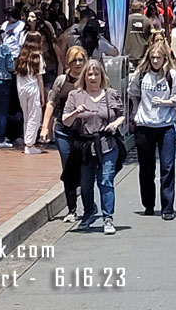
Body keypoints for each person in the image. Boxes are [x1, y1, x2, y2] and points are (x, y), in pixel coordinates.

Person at [62, 59, 125, 234]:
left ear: (102, 76)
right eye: (89, 74)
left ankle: (108, 218)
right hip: (85, 146)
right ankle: (89, 213)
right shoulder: (75, 95)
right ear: (84, 76)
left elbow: (121, 114)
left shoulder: (111, 94)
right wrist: (76, 112)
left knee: (106, 180)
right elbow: (65, 121)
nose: (93, 77)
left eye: (96, 74)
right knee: (86, 182)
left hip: (106, 143)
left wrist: (115, 124)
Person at [128, 37, 176, 219]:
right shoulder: (141, 74)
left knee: (167, 167)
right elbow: (133, 94)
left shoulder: (172, 76)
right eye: (152, 57)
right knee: (146, 167)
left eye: (158, 58)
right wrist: (135, 114)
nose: (155, 61)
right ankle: (148, 204)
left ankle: (168, 207)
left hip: (165, 125)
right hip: (144, 125)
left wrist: (165, 102)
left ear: (165, 58)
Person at [41, 46, 87, 223]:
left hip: (84, 132)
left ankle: (88, 206)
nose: (77, 63)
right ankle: (72, 209)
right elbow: (51, 103)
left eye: (81, 59)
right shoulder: (61, 81)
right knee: (68, 169)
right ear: (68, 62)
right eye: (74, 60)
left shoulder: (90, 79)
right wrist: (45, 127)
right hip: (63, 130)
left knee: (85, 169)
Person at [15, 31, 47, 155]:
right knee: (35, 116)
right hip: (33, 88)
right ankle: (30, 144)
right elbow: (39, 78)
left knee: (27, 117)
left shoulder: (21, 56)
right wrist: (42, 95)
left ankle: (28, 142)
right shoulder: (38, 57)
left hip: (21, 89)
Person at [123, 0, 154, 65]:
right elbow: (153, 34)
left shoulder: (125, 20)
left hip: (128, 54)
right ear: (141, 9)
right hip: (143, 54)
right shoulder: (147, 20)